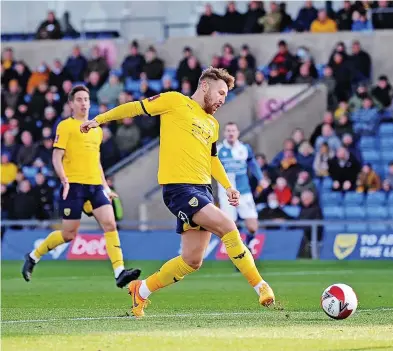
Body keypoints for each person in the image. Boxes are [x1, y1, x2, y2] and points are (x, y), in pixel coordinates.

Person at [81, 67, 276, 318]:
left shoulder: (212, 124)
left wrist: (228, 187)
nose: (222, 100)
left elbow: (212, 159)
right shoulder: (174, 101)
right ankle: (261, 286)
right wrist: (99, 119)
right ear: (205, 86)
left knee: (192, 261)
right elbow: (136, 107)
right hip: (179, 189)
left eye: (226, 96)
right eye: (221, 93)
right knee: (228, 226)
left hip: (203, 189)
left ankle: (141, 290)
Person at [21, 85, 141, 288]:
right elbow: (56, 156)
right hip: (74, 186)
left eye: (86, 99)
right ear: (71, 103)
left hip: (94, 185)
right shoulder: (65, 126)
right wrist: (64, 179)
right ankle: (33, 256)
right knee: (69, 234)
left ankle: (119, 271)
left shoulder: (97, 130)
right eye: (79, 99)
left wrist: (105, 187)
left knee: (110, 224)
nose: (84, 103)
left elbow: (97, 162)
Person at [217, 122, 264, 255]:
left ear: (237, 133)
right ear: (224, 133)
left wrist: (260, 178)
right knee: (230, 226)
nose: (231, 133)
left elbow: (252, 162)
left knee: (253, 226)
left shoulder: (244, 148)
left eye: (233, 130)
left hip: (244, 192)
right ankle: (240, 253)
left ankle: (248, 245)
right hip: (226, 193)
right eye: (228, 131)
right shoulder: (218, 150)